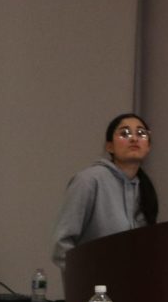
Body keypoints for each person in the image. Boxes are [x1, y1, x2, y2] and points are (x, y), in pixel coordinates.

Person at [51, 113, 159, 270]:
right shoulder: (89, 180)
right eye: (125, 133)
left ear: (148, 146)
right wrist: (88, 276)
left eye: (141, 133)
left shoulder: (143, 189)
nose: (134, 138)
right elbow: (61, 245)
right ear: (110, 146)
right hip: (94, 289)